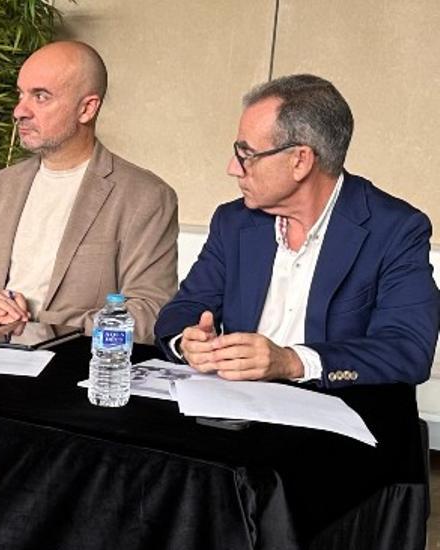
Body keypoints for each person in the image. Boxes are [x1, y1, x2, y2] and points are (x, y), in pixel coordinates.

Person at [154, 74, 439, 386]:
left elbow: (407, 351)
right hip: (235, 415)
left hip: (336, 417)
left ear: (300, 161)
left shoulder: (395, 229)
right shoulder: (232, 222)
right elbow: (184, 308)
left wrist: (292, 362)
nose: (233, 168)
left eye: (247, 155)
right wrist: (188, 342)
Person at [0, 41, 178, 344]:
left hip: (74, 371)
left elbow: (149, 312)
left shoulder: (145, 196)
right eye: (21, 94)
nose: (19, 111)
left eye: (40, 97)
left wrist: (33, 324)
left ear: (87, 108)